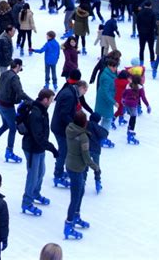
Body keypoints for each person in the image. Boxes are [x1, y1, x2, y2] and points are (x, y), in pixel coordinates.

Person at [0, 58, 31, 162]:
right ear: (18, 66)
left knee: (6, 125)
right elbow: (20, 93)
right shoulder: (15, 78)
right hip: (7, 106)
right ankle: (9, 152)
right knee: (13, 128)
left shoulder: (4, 73)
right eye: (20, 67)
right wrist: (32, 101)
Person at [21, 88, 58, 216]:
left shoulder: (42, 109)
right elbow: (38, 136)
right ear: (45, 99)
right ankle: (27, 202)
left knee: (41, 172)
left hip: (39, 147)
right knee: (33, 175)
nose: (52, 102)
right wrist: (52, 148)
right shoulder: (36, 113)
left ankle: (35, 193)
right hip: (32, 148)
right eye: (51, 99)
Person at [63, 111, 99, 240]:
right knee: (75, 197)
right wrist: (96, 167)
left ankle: (76, 216)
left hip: (70, 164)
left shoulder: (69, 129)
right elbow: (86, 157)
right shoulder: (83, 137)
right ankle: (68, 224)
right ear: (84, 122)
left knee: (81, 191)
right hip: (77, 168)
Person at [51, 70, 86, 188]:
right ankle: (58, 175)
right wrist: (74, 126)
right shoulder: (70, 95)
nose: (84, 94)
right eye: (84, 91)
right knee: (63, 151)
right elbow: (64, 114)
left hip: (60, 126)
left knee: (64, 150)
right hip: (60, 128)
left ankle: (59, 171)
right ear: (80, 87)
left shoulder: (70, 92)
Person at [94, 57, 119, 145]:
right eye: (114, 67)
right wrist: (113, 102)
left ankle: (101, 136)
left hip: (105, 99)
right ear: (109, 66)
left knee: (105, 119)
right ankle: (102, 137)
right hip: (105, 100)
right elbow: (105, 92)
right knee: (107, 119)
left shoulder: (108, 74)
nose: (115, 69)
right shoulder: (106, 77)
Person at [122, 75, 151, 145]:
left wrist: (123, 100)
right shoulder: (140, 88)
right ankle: (130, 133)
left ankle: (129, 130)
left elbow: (124, 94)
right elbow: (143, 98)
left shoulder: (128, 85)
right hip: (133, 105)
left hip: (126, 104)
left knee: (132, 117)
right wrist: (148, 105)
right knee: (133, 118)